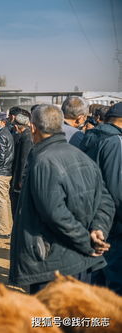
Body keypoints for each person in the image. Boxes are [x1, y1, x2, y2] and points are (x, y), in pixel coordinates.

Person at [9, 104, 115, 294]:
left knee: (49, 321)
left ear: (33, 128)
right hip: (80, 262)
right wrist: (99, 229)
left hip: (53, 265)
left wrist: (86, 242)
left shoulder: (43, 162)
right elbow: (105, 200)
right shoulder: (83, 157)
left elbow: (55, 213)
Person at [86, 102, 122, 295]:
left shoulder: (90, 135)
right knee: (114, 276)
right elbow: (116, 186)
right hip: (111, 218)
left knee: (97, 272)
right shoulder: (115, 141)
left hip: (91, 211)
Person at [10, 113, 33, 216]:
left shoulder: (26, 138)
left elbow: (24, 160)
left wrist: (20, 179)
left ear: (16, 126)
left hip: (20, 177)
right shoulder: (26, 135)